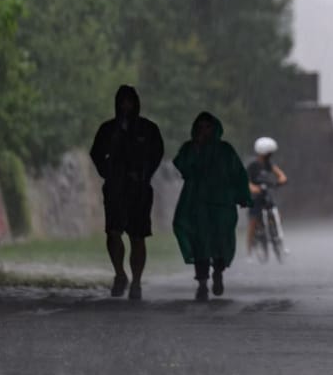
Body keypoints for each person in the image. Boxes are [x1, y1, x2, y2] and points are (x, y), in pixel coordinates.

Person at [89, 85, 165, 301]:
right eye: (122, 101)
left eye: (129, 101)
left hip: (139, 189)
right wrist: (108, 172)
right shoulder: (108, 130)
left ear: (136, 103)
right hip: (115, 188)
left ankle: (137, 282)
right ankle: (120, 274)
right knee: (113, 232)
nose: (126, 106)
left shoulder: (148, 130)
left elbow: (157, 153)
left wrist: (145, 174)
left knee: (138, 236)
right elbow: (96, 153)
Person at [172, 112, 251, 301]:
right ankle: (201, 283)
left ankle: (218, 271)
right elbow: (183, 167)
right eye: (201, 127)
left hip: (221, 204)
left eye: (208, 127)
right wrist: (196, 148)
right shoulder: (190, 148)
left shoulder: (225, 150)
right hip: (197, 203)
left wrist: (242, 196)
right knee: (200, 243)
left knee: (221, 241)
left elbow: (238, 173)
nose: (204, 131)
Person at [246, 136, 289, 255]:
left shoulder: (268, 164)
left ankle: (276, 236)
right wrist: (252, 187)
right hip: (254, 196)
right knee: (253, 221)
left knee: (277, 214)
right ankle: (249, 249)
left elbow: (280, 174)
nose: (270, 155)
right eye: (268, 153)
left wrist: (282, 179)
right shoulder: (253, 165)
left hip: (265, 193)